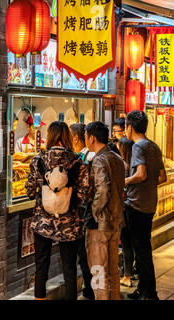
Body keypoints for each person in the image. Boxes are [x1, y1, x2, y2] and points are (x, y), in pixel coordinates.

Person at [26, 121, 89, 300]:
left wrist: (41, 193)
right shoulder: (78, 161)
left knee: (41, 267)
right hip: (70, 224)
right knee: (69, 269)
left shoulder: (38, 160)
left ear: (50, 136)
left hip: (42, 222)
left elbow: (30, 190)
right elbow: (84, 194)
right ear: (67, 137)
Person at [124, 111, 167, 300]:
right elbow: (162, 177)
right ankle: (143, 289)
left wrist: (124, 181)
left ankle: (150, 293)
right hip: (149, 204)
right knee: (143, 249)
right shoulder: (154, 146)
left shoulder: (138, 147)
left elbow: (141, 174)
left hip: (137, 205)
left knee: (142, 252)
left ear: (130, 127)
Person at [84, 121, 125, 300]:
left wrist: (94, 210)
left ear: (92, 138)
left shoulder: (99, 160)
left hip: (101, 224)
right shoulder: (116, 157)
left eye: (85, 137)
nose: (85, 140)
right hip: (116, 221)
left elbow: (104, 189)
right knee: (113, 270)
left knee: (99, 271)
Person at [69, 123, 95, 300]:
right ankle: (89, 289)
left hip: (87, 213)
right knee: (83, 255)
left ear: (76, 138)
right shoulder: (82, 156)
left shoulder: (89, 158)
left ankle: (91, 290)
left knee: (86, 255)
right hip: (83, 213)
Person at [116, 137, 137, 287]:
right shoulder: (134, 165)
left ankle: (127, 276)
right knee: (132, 243)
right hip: (133, 206)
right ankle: (133, 273)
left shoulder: (122, 165)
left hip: (123, 207)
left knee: (126, 243)